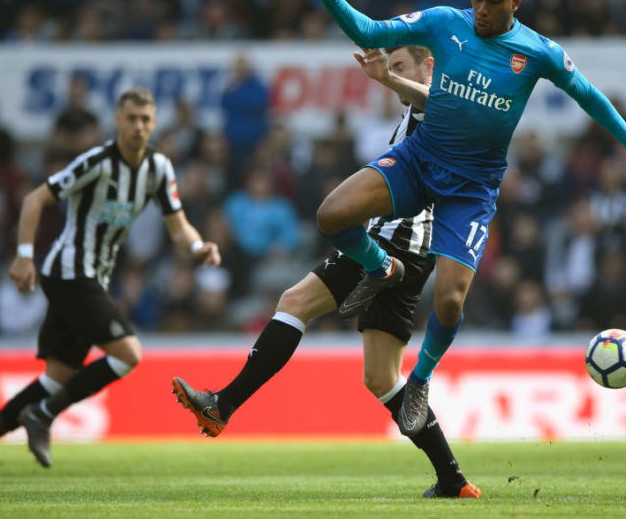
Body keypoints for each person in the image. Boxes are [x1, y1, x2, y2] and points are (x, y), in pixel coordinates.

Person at [284, 0, 626, 437]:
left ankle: (419, 379)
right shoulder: (443, 22)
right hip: (419, 161)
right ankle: (380, 267)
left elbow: (588, 95)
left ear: (516, 0)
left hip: (472, 188)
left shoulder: (537, 51)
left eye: (493, 1)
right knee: (332, 215)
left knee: (450, 303)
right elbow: (370, 33)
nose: (481, 9)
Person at [171, 45, 481, 499]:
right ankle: (453, 480)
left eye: (401, 67)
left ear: (428, 66)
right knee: (380, 378)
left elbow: (429, 102)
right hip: (412, 252)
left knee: (294, 303)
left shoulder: (436, 107)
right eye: (391, 68)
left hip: (393, 245)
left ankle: (223, 404)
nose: (393, 75)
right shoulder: (420, 115)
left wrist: (387, 79)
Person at [0, 87, 221, 474]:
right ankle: (43, 415)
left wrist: (198, 248)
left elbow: (178, 228)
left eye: (146, 119)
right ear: (117, 120)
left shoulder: (159, 169)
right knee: (129, 353)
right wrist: (24, 255)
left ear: (154, 123)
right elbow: (34, 200)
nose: (138, 126)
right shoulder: (97, 161)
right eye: (131, 118)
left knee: (57, 378)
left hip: (91, 277)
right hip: (69, 272)